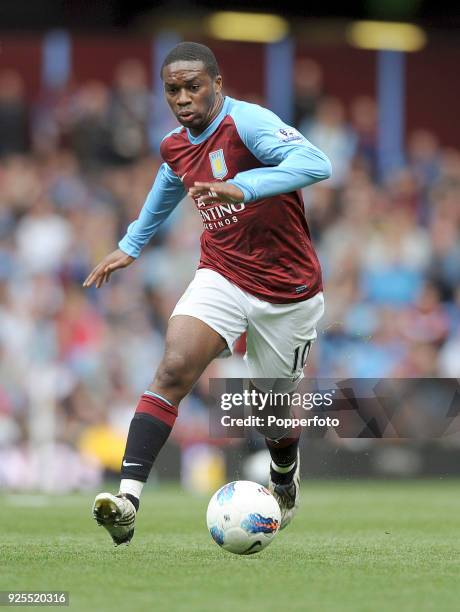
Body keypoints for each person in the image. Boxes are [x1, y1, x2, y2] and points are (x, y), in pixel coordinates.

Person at [83, 42, 331, 545]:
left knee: (271, 414)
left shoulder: (250, 124)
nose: (182, 97)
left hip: (288, 291)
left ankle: (284, 470)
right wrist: (131, 244)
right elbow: (169, 180)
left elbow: (316, 162)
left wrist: (244, 186)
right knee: (174, 367)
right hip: (222, 272)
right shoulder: (175, 144)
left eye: (193, 86)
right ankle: (127, 501)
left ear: (217, 84)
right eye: (172, 89)